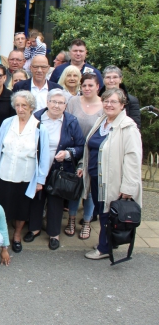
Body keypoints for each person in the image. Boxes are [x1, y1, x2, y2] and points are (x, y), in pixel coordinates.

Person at [82, 88, 143, 260]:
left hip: (113, 180)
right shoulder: (102, 121)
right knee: (102, 212)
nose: (108, 105)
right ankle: (106, 242)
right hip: (97, 178)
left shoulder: (128, 127)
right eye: (106, 101)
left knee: (108, 214)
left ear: (122, 105)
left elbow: (133, 159)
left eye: (113, 102)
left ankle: (103, 248)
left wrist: (128, 187)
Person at [0, 90, 51, 253]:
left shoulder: (39, 128)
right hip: (4, 172)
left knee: (22, 208)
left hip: (26, 175)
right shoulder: (7, 123)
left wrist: (40, 180)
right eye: (17, 105)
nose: (20, 108)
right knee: (0, 205)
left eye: (24, 105)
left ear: (31, 107)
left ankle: (16, 235)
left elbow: (44, 157)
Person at [26, 89, 85, 250]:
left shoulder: (71, 121)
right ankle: (34, 228)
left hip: (59, 168)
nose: (57, 106)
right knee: (36, 198)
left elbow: (80, 145)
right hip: (37, 166)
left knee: (55, 201)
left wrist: (67, 153)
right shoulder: (36, 118)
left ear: (65, 105)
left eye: (61, 103)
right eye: (54, 102)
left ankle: (54, 233)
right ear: (47, 102)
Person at [65, 73, 102, 238]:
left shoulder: (103, 105)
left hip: (94, 152)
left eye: (90, 85)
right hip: (74, 150)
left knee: (91, 189)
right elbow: (65, 122)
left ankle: (87, 222)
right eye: (84, 85)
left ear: (97, 87)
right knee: (75, 186)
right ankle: (71, 220)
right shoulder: (73, 101)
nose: (87, 88)